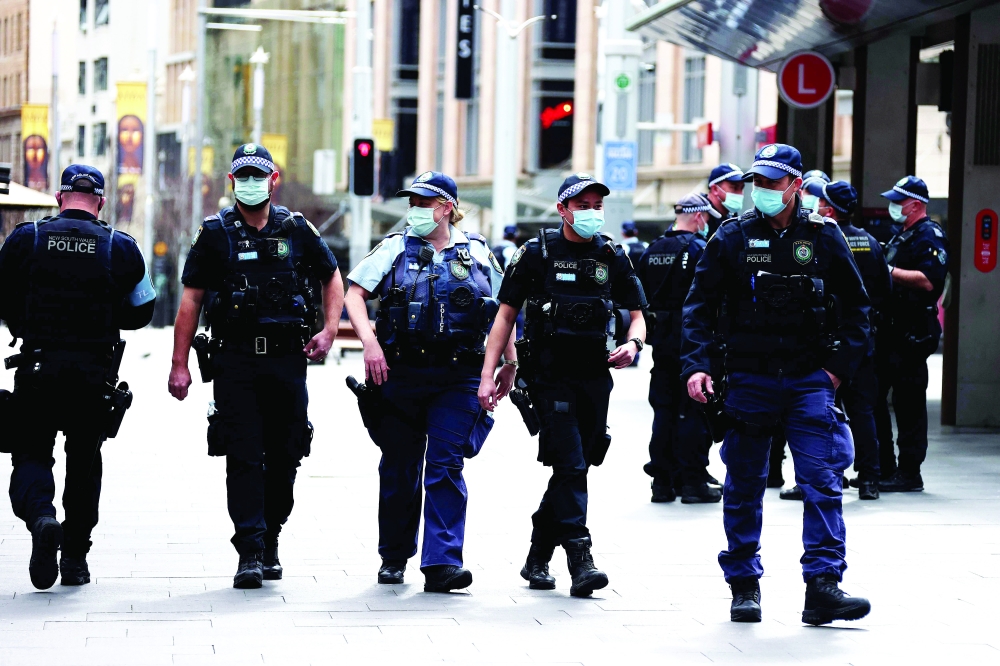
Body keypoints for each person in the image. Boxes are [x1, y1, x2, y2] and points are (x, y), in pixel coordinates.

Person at [682, 144, 872, 625]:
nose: (762, 190)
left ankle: (823, 586)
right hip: (749, 378)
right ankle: (744, 586)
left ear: (795, 185)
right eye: (757, 183)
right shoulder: (731, 237)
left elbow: (859, 308)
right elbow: (698, 307)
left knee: (822, 481)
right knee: (743, 485)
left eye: (771, 182)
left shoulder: (824, 237)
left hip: (810, 379)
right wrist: (698, 365)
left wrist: (836, 371)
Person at [168, 143, 344, 589]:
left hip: (287, 360)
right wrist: (180, 364)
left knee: (287, 454)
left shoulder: (297, 229)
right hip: (235, 361)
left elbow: (331, 276)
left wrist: (328, 330)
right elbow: (190, 300)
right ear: (231, 182)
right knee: (243, 456)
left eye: (257, 175)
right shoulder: (214, 233)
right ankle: (250, 549)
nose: (250, 183)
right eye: (242, 176)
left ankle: (271, 537)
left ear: (273, 178)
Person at [479, 173, 647, 598]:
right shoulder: (535, 254)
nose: (591, 212)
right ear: (562, 210)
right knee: (570, 465)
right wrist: (491, 372)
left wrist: (634, 343)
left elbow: (638, 313)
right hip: (548, 375)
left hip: (595, 375)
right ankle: (580, 558)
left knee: (580, 463)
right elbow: (504, 316)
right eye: (582, 205)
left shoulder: (611, 253)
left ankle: (537, 555)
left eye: (597, 205)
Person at [344, 171, 510, 593]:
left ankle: (442, 563)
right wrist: (370, 344)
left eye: (424, 202)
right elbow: (354, 294)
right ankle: (394, 556)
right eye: (412, 202)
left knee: (445, 464)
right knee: (400, 467)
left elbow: (504, 311)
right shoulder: (395, 248)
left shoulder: (476, 252)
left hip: (458, 375)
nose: (415, 209)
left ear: (447, 208)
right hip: (400, 373)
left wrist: (508, 364)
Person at [0, 164, 155, 589]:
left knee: (31, 455)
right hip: (93, 374)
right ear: (101, 201)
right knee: (85, 464)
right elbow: (144, 308)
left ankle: (42, 517)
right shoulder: (120, 246)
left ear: (58, 197)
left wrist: (22, 322)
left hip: (37, 369)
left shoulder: (26, 239)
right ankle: (75, 559)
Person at [779, 181, 892, 502]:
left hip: (827, 342)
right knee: (863, 412)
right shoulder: (871, 242)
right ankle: (869, 479)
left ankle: (824, 475)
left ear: (829, 208)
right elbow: (883, 292)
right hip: (862, 341)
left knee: (819, 412)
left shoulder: (821, 238)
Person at [636, 193, 721, 504]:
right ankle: (692, 481)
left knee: (664, 410)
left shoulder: (652, 250)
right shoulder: (701, 249)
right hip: (692, 344)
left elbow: (639, 297)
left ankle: (662, 481)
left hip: (661, 342)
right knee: (694, 411)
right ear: (699, 218)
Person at [875, 176, 949, 492]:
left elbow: (929, 281)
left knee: (909, 407)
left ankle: (909, 473)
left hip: (912, 335)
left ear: (915, 205)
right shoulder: (899, 236)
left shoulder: (929, 236)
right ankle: (884, 467)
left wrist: (888, 271)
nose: (892, 207)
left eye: (898, 201)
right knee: (875, 400)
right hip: (889, 333)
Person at [706, 163, 746, 235]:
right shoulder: (700, 217)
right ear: (715, 189)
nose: (740, 194)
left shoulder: (732, 216)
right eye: (734, 187)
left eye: (742, 188)